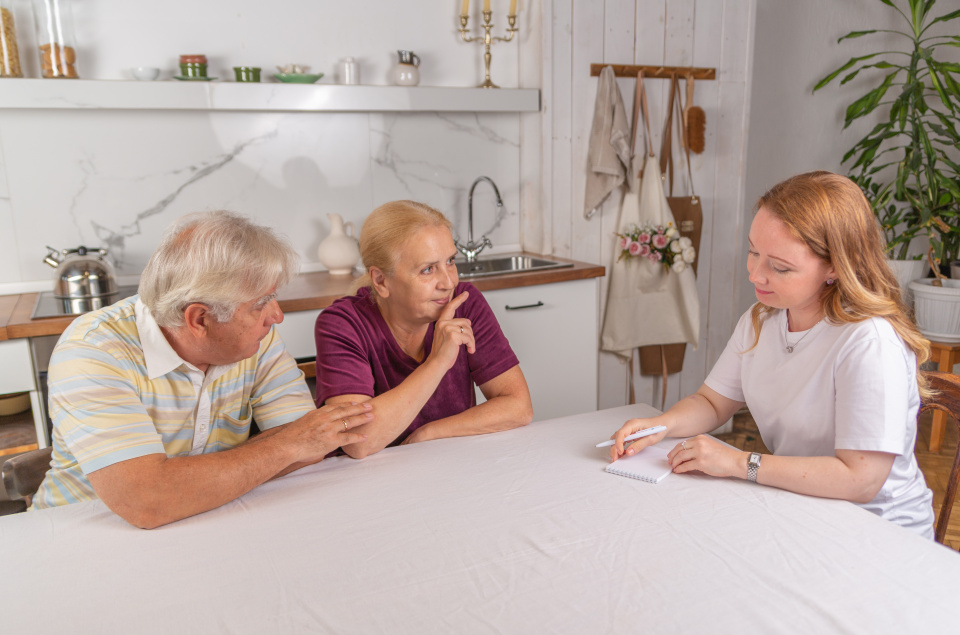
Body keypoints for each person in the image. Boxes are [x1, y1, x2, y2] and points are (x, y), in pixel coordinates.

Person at [608, 171, 935, 538]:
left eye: (779, 267)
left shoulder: (869, 342)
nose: (755, 275)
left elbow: (859, 481)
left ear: (834, 268)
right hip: (800, 506)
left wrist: (737, 462)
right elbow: (712, 403)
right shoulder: (761, 319)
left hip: (878, 531)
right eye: (753, 251)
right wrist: (661, 426)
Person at [32, 211, 371, 528]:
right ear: (199, 319)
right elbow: (147, 502)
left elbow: (311, 449)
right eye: (260, 303)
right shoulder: (93, 351)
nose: (276, 315)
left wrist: (184, 483)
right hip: (78, 532)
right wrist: (286, 445)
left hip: (207, 520)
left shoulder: (254, 338)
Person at [314, 200, 533, 458]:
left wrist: (428, 434)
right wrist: (437, 362)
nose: (449, 281)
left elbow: (519, 407)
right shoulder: (342, 323)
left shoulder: (464, 302)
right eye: (428, 269)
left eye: (451, 261)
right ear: (381, 281)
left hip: (447, 464)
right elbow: (358, 440)